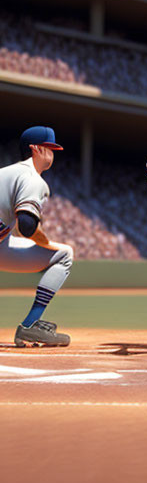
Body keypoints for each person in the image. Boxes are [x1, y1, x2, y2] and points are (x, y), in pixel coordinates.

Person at [0, 126, 74, 346]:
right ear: (36, 149)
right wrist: (45, 242)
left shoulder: (5, 172)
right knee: (64, 254)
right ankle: (31, 324)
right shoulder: (32, 177)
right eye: (49, 148)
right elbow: (27, 225)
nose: (52, 153)